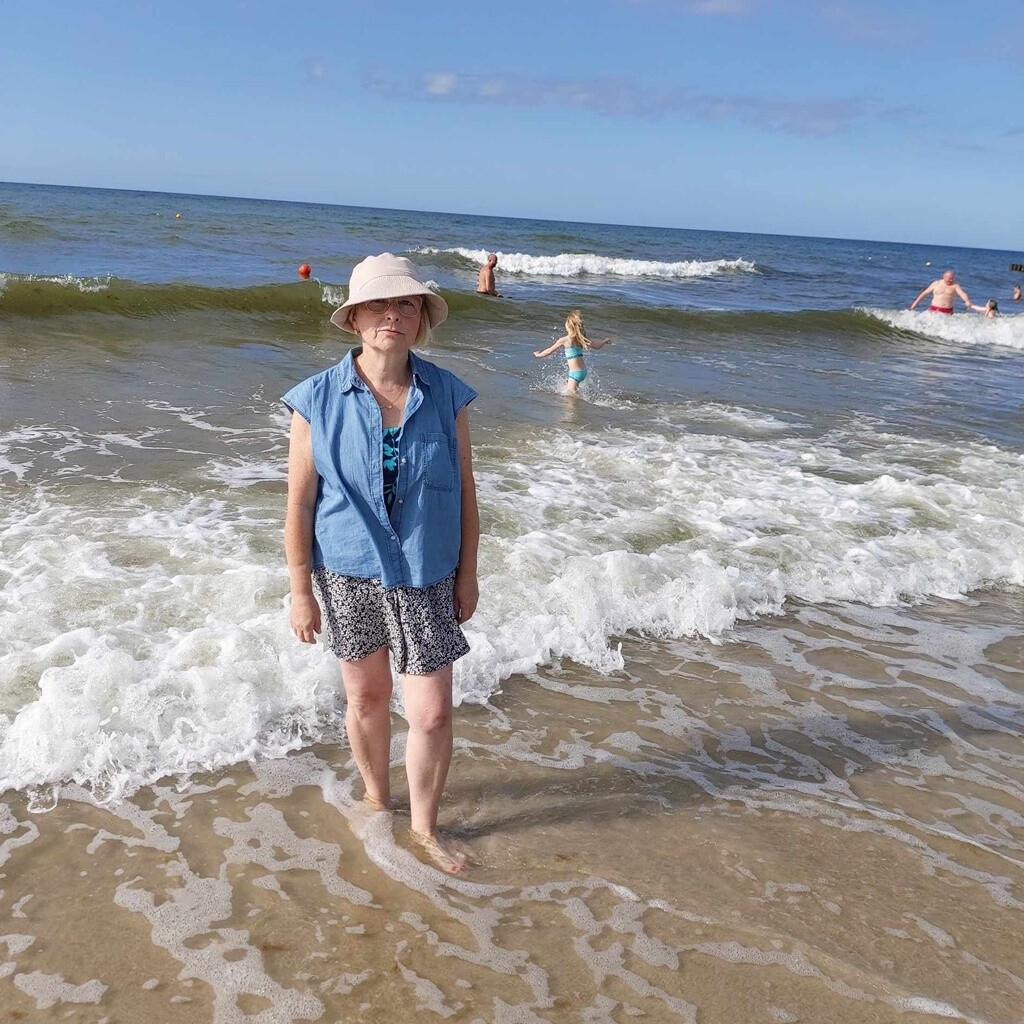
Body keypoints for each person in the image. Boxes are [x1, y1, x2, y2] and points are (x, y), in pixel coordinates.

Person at [283, 254, 479, 873]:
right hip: (346, 569)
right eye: (379, 305)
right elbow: (299, 501)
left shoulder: (447, 394)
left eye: (407, 304)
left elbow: (468, 489)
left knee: (432, 711)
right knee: (366, 701)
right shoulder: (315, 399)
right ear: (355, 318)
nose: (393, 315)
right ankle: (376, 797)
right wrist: (299, 589)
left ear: (420, 318)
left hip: (427, 570)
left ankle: (424, 830)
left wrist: (469, 571)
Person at [533, 310, 612, 394]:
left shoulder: (564, 340)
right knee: (573, 392)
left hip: (575, 373)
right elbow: (597, 346)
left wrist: (539, 355)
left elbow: (549, 351)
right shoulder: (581, 339)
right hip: (583, 372)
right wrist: (604, 341)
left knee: (570, 398)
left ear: (568, 325)